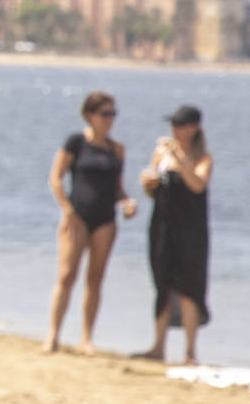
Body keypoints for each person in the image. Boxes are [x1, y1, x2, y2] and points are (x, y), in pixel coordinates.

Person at [43, 91, 136, 355]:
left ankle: (86, 338)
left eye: (113, 114)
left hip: (105, 219)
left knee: (95, 279)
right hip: (77, 216)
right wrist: (67, 208)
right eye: (104, 114)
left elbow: (118, 189)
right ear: (89, 115)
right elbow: (56, 177)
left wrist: (127, 202)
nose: (110, 119)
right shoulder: (76, 142)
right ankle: (53, 335)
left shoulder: (117, 150)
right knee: (66, 276)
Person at [137, 104, 213, 365]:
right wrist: (148, 183)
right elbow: (153, 189)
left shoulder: (202, 158)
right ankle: (158, 347)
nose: (175, 130)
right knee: (163, 285)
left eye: (180, 125)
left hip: (190, 231)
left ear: (193, 128)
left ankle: (190, 352)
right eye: (173, 125)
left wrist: (180, 159)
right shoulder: (162, 154)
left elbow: (197, 185)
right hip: (162, 226)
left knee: (189, 287)